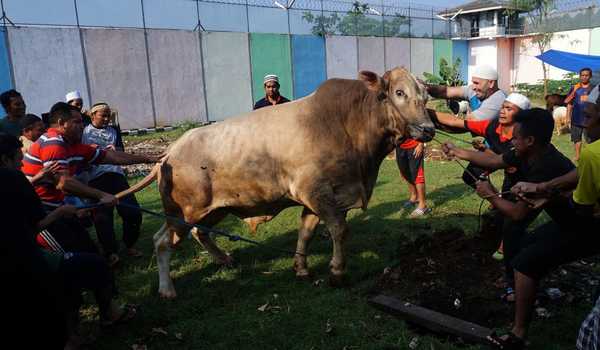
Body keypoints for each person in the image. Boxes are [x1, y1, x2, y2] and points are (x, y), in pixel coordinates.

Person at [443, 108, 578, 349]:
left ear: (530, 140)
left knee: (525, 261)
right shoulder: (525, 151)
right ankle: (520, 288)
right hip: (564, 222)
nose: (511, 141)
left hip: (584, 228)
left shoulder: (547, 165)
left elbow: (516, 212)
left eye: (515, 137)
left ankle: (517, 333)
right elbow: (494, 160)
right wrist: (458, 152)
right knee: (521, 243)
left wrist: (491, 195)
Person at [0, 132, 137, 349]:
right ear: (5, 159)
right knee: (76, 272)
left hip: (34, 239)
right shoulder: (14, 178)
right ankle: (72, 336)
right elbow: (37, 224)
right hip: (28, 254)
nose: (22, 164)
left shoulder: (65, 148)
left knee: (89, 256)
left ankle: (105, 313)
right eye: (19, 159)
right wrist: (64, 210)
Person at [21, 102, 159, 254]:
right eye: (77, 122)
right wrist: (101, 195)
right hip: (40, 215)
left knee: (90, 255)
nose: (82, 126)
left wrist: (148, 158)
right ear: (61, 123)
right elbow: (63, 183)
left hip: (57, 209)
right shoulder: (53, 143)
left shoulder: (73, 145)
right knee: (73, 262)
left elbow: (112, 157)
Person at [82, 102, 143, 265]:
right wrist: (89, 150)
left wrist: (116, 149)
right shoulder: (84, 131)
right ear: (93, 115)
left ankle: (129, 244)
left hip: (116, 175)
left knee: (133, 212)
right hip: (96, 179)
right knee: (103, 219)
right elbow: (80, 157)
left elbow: (121, 150)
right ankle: (111, 252)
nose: (107, 118)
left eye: (109, 115)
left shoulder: (114, 130)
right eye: (103, 115)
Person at [426, 64, 506, 121]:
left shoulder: (498, 102)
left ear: (491, 83)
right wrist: (424, 87)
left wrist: (426, 113)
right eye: (473, 82)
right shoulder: (476, 90)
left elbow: (465, 122)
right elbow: (446, 91)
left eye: (476, 83)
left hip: (500, 145)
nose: (473, 87)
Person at [395, 138, 430, 217]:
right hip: (399, 146)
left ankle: (422, 205)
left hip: (415, 145)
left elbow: (422, 126)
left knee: (417, 174)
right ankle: (414, 197)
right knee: (406, 173)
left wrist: (421, 144)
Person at [565, 68, 594, 161]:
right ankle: (577, 156)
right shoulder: (575, 88)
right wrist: (567, 117)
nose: (584, 77)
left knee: (590, 140)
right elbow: (568, 102)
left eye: (587, 75)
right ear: (580, 76)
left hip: (590, 119)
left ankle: (591, 156)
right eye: (582, 75)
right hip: (576, 118)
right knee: (576, 139)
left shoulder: (595, 88)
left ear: (590, 76)